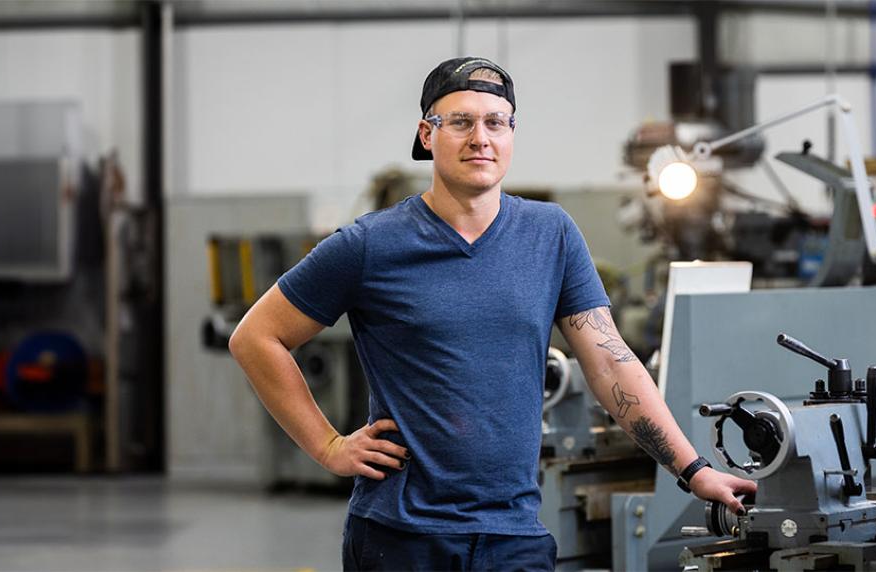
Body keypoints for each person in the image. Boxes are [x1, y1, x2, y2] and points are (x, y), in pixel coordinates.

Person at [229, 56, 757, 571]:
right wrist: (327, 447)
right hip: (403, 536)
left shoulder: (551, 234)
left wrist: (693, 470)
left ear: (511, 134)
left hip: (514, 535)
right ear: (426, 134)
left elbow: (612, 362)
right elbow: (256, 338)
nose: (480, 137)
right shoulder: (370, 244)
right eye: (459, 121)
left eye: (495, 122)